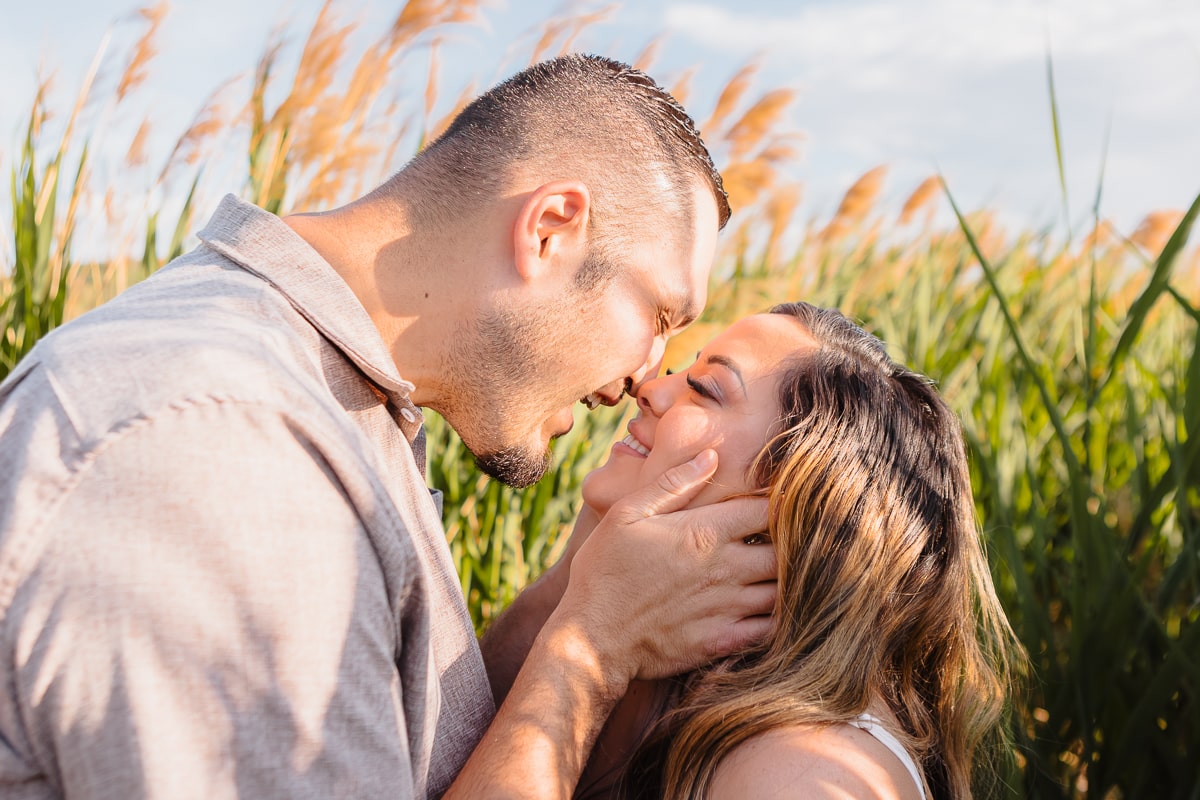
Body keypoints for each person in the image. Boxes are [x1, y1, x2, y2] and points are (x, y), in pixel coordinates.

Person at [0, 55, 776, 798]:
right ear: (549, 230)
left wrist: (584, 590)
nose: (650, 372)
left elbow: (420, 757)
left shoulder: (342, 402)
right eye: (660, 315)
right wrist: (591, 650)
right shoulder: (221, 441)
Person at [551, 303, 1017, 799]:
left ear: (793, 498)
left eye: (705, 390)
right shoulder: (657, 671)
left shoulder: (801, 772)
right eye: (679, 370)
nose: (649, 387)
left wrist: (585, 641)